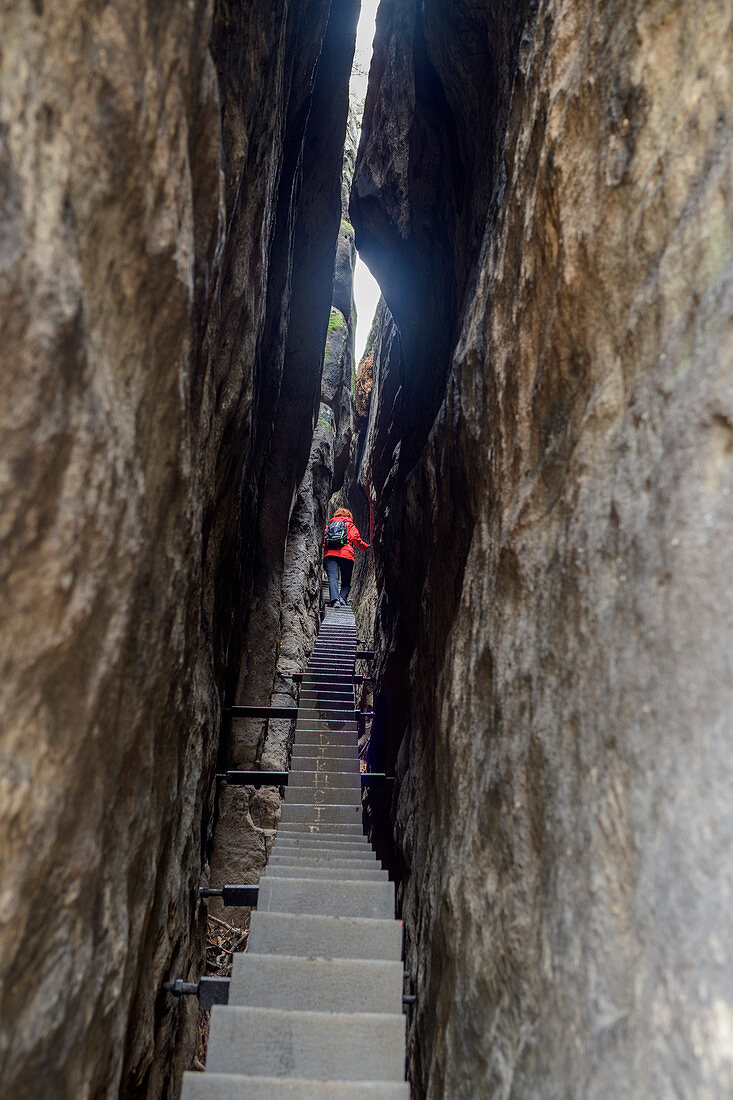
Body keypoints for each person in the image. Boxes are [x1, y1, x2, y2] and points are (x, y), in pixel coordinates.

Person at [323, 508, 369, 607]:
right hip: (346, 554)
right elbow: (355, 538)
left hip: (330, 554)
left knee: (333, 578)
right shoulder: (349, 525)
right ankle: (342, 598)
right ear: (349, 516)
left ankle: (335, 600)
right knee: (346, 579)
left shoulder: (329, 526)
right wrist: (366, 547)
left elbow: (324, 541)